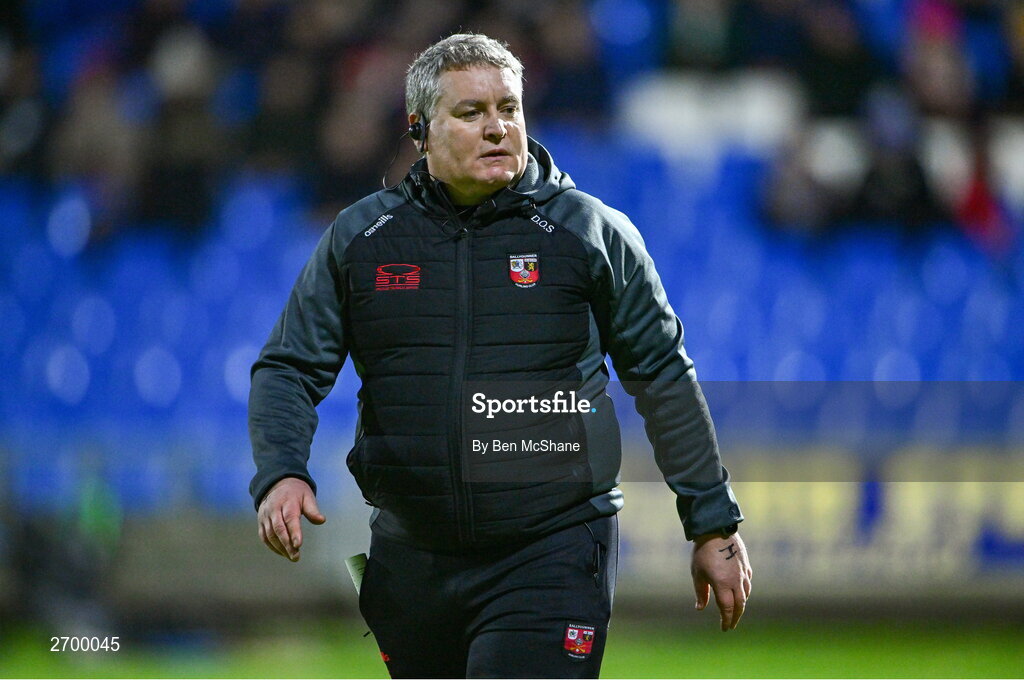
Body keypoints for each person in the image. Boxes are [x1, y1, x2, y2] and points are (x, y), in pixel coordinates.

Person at [249, 33, 752, 679]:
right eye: (471, 113)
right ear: (420, 131)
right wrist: (282, 471)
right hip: (409, 556)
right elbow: (288, 366)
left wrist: (712, 522)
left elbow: (663, 376)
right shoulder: (361, 238)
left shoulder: (592, 232)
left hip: (552, 547)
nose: (497, 128)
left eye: (508, 109)